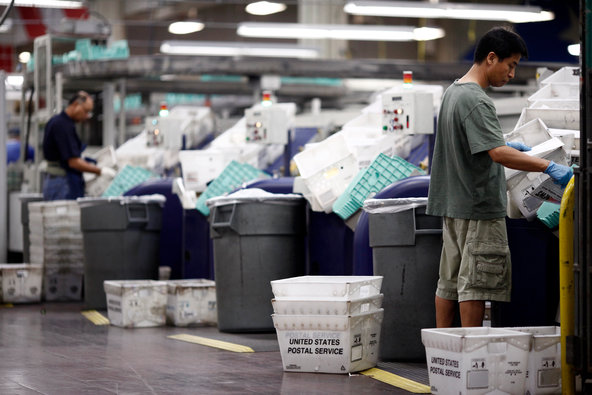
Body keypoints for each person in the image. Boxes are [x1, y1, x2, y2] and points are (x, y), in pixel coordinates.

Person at [426, 27, 573, 328]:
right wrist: (548, 167)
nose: (511, 73)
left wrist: (505, 143)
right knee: (476, 285)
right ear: (491, 58)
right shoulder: (478, 101)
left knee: (449, 282)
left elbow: (477, 146)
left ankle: (442, 351)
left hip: (453, 206)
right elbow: (498, 154)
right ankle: (471, 354)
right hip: (479, 207)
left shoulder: (453, 93)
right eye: (511, 64)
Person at [42, 91, 116, 200]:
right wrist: (100, 171)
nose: (86, 116)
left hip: (60, 181)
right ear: (76, 105)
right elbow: (73, 162)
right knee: (65, 216)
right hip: (61, 183)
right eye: (86, 111)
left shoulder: (61, 122)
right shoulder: (62, 125)